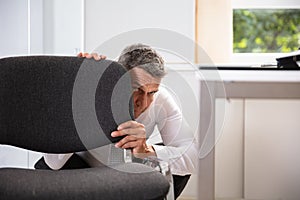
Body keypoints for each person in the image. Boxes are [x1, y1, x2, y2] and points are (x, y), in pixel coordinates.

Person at [42, 44, 198, 198]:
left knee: (171, 165)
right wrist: (76, 97)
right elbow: (52, 163)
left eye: (151, 93)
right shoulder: (93, 93)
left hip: (125, 171)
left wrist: (147, 150)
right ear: (116, 79)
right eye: (137, 88)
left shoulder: (161, 99)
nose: (143, 103)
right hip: (81, 171)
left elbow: (192, 157)